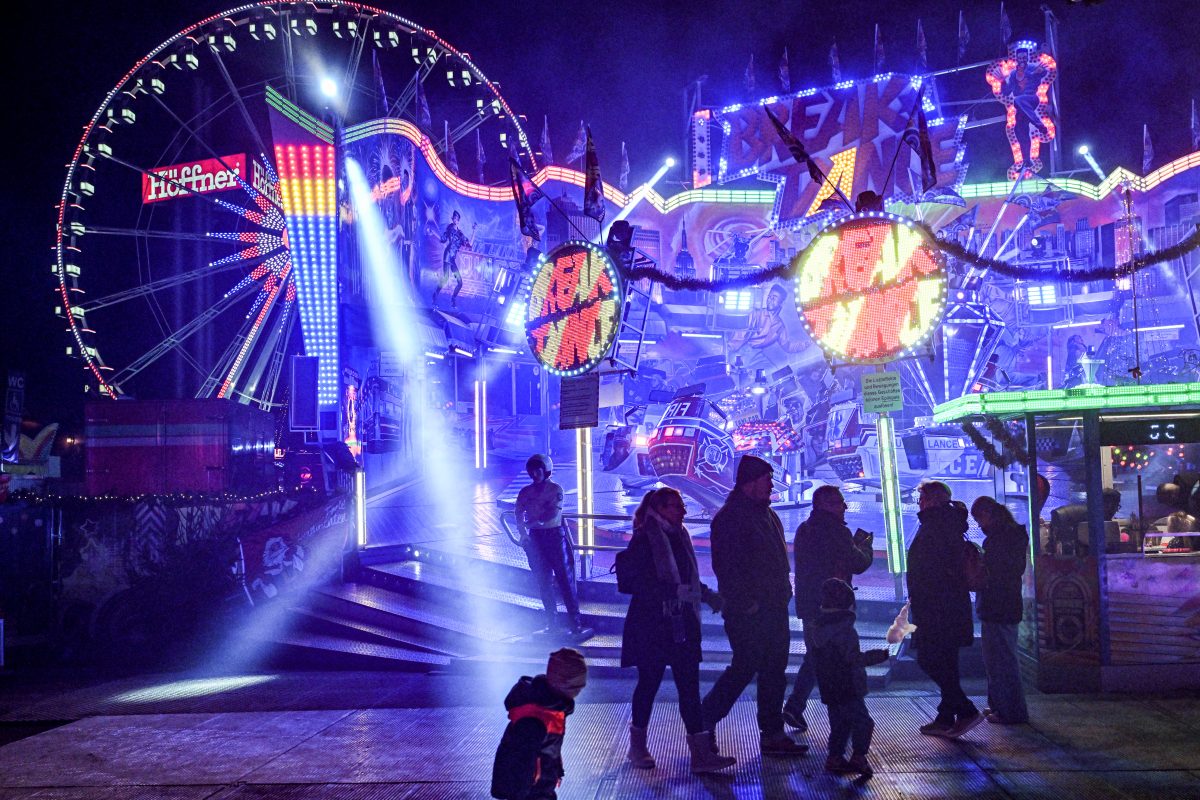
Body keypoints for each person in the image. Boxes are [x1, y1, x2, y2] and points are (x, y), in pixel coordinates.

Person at [620, 488, 735, 774]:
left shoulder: (677, 535)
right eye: (676, 506)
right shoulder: (645, 539)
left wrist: (703, 594)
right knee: (649, 684)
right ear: (659, 509)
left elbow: (687, 578)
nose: (682, 511)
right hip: (653, 626)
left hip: (679, 623)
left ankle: (700, 754)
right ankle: (638, 747)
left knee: (689, 688)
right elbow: (641, 584)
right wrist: (679, 592)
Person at [701, 455, 809, 757]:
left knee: (772, 669)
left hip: (772, 607)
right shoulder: (732, 518)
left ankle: (771, 732)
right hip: (751, 611)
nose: (771, 485)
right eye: (766, 480)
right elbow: (727, 567)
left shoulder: (763, 514)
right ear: (750, 483)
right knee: (746, 667)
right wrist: (745, 603)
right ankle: (705, 719)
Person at [783, 485, 874, 734]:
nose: (844, 508)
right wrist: (864, 545)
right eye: (839, 503)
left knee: (815, 655)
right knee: (832, 659)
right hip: (833, 607)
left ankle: (796, 705)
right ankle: (838, 713)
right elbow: (858, 563)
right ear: (826, 505)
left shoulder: (805, 530)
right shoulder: (837, 532)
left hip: (809, 604)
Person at [906, 481, 981, 738]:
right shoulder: (949, 524)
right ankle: (946, 715)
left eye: (922, 498)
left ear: (931, 500)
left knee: (929, 657)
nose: (919, 503)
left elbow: (930, 569)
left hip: (935, 607)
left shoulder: (934, 526)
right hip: (950, 605)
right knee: (947, 661)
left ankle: (965, 708)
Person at [810, 578, 889, 778]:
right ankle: (859, 757)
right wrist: (876, 657)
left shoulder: (819, 629)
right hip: (848, 686)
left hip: (830, 686)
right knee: (862, 722)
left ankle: (835, 757)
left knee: (839, 724)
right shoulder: (845, 631)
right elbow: (852, 660)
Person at [491, 648, 587, 800]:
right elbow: (520, 761)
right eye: (577, 687)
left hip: (540, 787)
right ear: (562, 685)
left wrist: (555, 771)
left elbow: (547, 750)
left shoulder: (552, 709)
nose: (580, 691)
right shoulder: (535, 719)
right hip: (530, 792)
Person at [970, 497, 1030, 725]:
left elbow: (1002, 570)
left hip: (999, 605)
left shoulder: (1001, 539)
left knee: (1001, 660)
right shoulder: (1009, 536)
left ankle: (1010, 711)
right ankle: (999, 705)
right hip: (1001, 605)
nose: (978, 524)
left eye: (979, 518)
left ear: (989, 514)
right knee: (997, 659)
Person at [515, 455, 587, 637]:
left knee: (565, 580)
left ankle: (575, 624)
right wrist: (523, 534)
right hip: (536, 539)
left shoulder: (555, 489)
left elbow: (553, 513)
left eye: (538, 470)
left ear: (545, 470)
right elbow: (518, 512)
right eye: (532, 471)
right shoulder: (525, 492)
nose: (535, 474)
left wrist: (533, 522)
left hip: (555, 537)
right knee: (543, 582)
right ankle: (552, 624)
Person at [433, 210, 472, 308]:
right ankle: (435, 296)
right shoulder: (450, 228)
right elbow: (443, 239)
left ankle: (453, 300)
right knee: (445, 278)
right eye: (454, 218)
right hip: (447, 256)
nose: (455, 220)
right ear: (452, 219)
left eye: (457, 219)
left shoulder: (460, 233)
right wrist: (434, 233)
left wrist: (474, 231)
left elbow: (469, 244)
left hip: (452, 259)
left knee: (460, 282)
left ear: (459, 220)